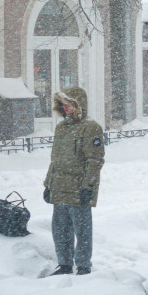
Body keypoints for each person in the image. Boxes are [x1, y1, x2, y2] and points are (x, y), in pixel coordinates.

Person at [42, 86, 105, 276]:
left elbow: (95, 160)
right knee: (60, 230)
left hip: (78, 188)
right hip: (60, 187)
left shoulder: (90, 127)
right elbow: (55, 160)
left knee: (82, 231)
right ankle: (64, 264)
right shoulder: (61, 128)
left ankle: (84, 266)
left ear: (79, 105)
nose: (65, 108)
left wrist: (88, 186)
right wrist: (48, 185)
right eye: (63, 104)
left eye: (69, 104)